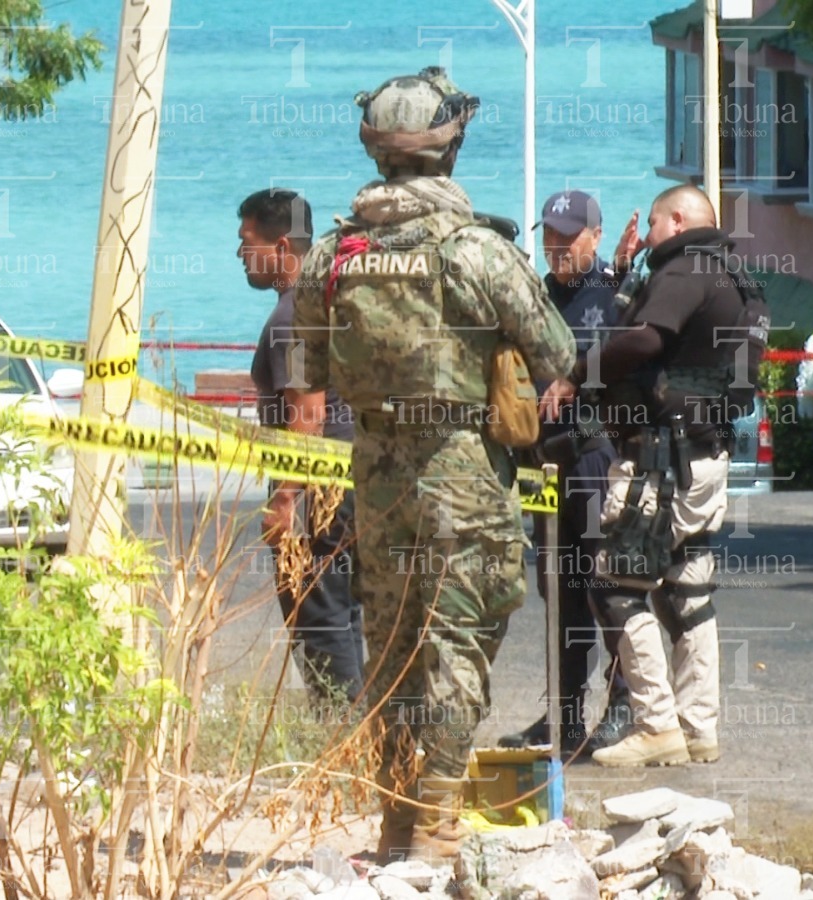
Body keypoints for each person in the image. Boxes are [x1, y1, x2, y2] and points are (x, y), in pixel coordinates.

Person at [276, 67, 575, 863]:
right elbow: (558, 350)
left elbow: (305, 373)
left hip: (373, 471)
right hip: (459, 470)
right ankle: (436, 830)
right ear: (449, 149)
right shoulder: (477, 251)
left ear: (376, 150)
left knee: (391, 645)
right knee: (456, 643)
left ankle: (394, 820)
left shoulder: (332, 256)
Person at [539, 183, 736, 768]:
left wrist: (579, 373)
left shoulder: (685, 270)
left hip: (661, 456)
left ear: (675, 222)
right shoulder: (735, 277)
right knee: (689, 592)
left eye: (653, 228)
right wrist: (628, 274)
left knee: (615, 584)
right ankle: (699, 726)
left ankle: (653, 722)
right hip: (705, 453)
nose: (648, 239)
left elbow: (647, 338)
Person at [499, 189, 634, 758]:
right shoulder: (538, 296)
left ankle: (626, 705)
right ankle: (566, 714)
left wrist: (627, 271)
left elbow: (630, 353)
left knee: (609, 587)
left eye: (568, 235)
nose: (556, 246)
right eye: (549, 235)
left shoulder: (613, 294)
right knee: (560, 592)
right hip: (542, 461)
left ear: (595, 237)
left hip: (592, 455)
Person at [238, 187, 365, 705]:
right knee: (340, 612)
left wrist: (285, 499)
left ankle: (341, 734)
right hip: (343, 478)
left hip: (315, 486)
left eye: (248, 242)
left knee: (319, 614)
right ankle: (356, 735)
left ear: (282, 246)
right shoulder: (317, 303)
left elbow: (307, 415)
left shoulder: (293, 318)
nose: (241, 254)